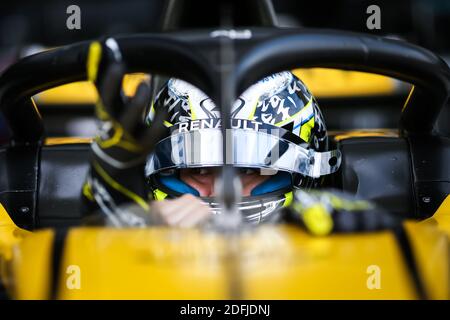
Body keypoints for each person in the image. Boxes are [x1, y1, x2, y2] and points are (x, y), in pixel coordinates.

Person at [82, 41, 396, 235]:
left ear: (309, 174)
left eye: (249, 169)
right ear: (156, 173)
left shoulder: (348, 229)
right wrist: (117, 222)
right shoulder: (135, 227)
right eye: (201, 170)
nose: (224, 191)